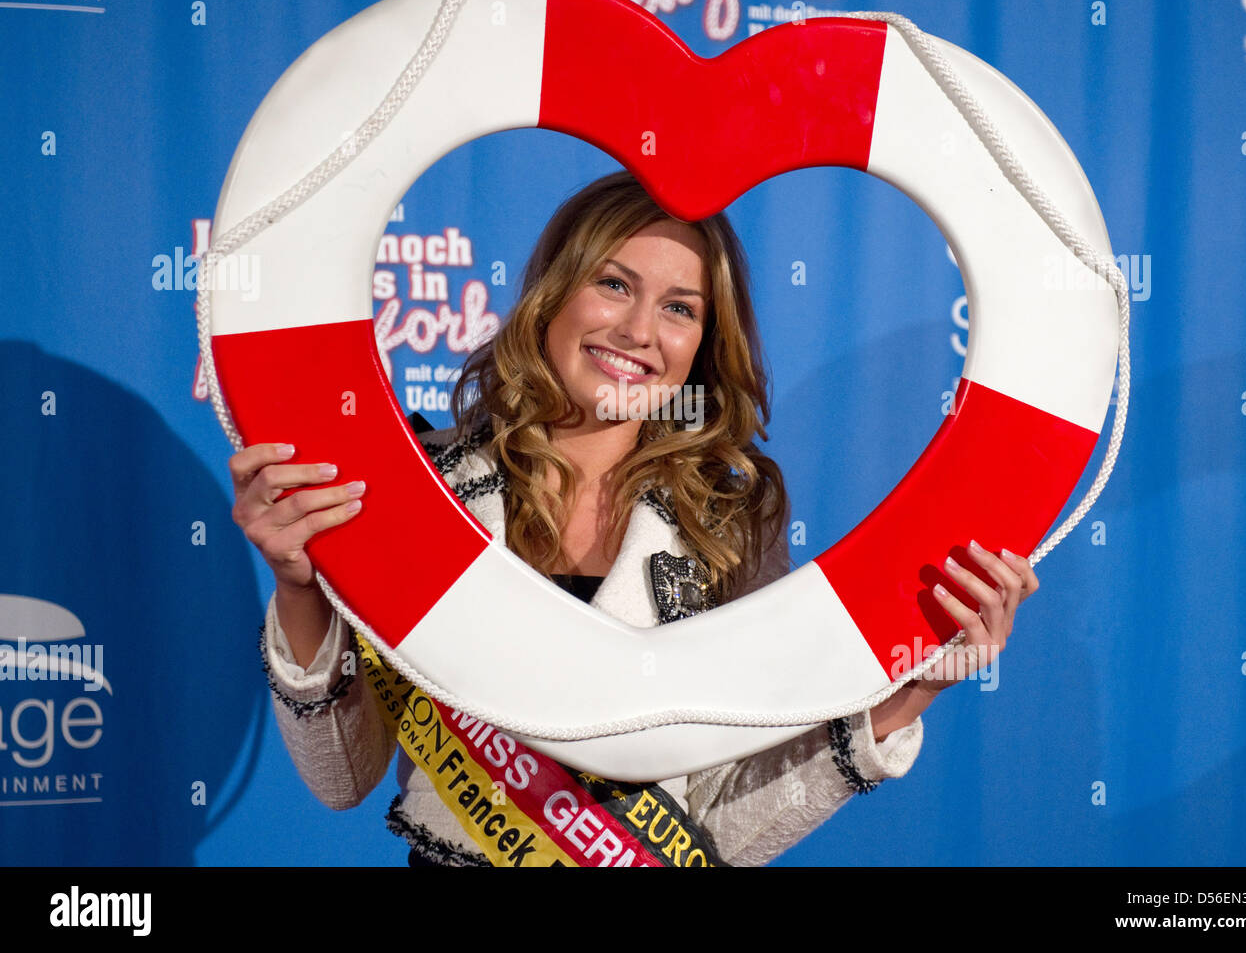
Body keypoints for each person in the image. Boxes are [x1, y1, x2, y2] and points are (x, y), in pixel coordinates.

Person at [228, 170, 1039, 866]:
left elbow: (720, 820)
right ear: (552, 293)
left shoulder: (732, 516)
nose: (640, 331)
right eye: (614, 284)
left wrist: (916, 687)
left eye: (681, 308)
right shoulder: (417, 485)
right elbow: (341, 779)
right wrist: (300, 587)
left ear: (703, 341)